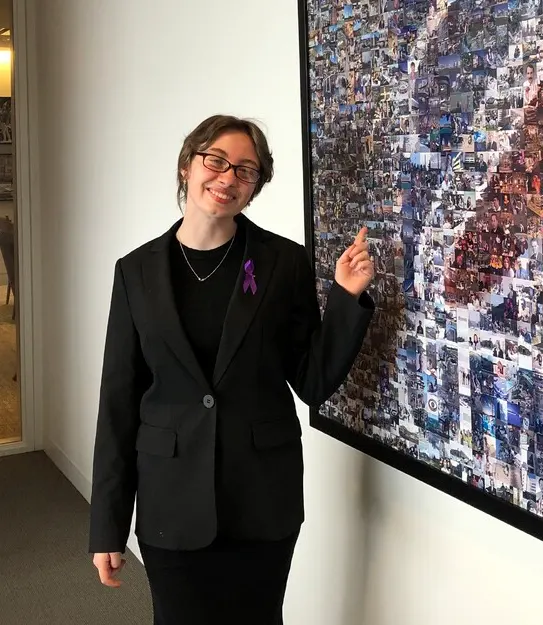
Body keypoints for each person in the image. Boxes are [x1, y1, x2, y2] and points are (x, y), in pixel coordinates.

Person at [87, 115, 376, 624]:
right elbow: (118, 403)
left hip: (262, 500)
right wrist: (107, 525)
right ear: (186, 166)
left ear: (255, 187)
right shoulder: (136, 272)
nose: (227, 178)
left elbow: (312, 381)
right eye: (216, 161)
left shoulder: (280, 264)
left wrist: (346, 300)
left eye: (245, 170)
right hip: (170, 503)